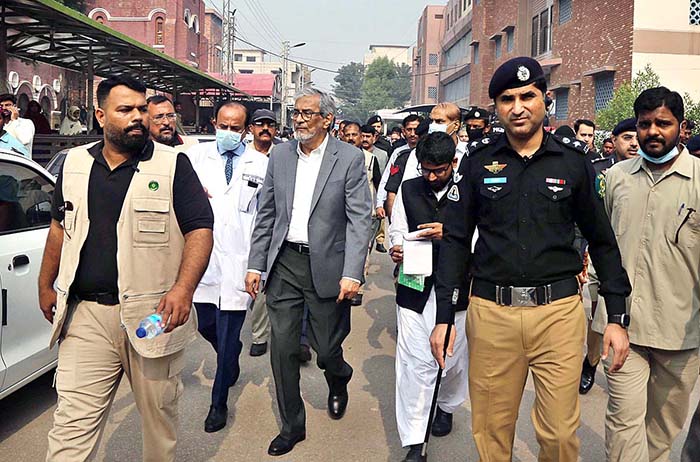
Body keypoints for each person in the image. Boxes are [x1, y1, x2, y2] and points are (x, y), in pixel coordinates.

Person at [431, 57, 632, 462]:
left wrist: (616, 316)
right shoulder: (478, 160)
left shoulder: (573, 161)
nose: (518, 107)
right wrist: (444, 316)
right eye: (507, 99)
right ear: (496, 107)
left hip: (558, 314)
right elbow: (454, 240)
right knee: (491, 432)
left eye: (527, 96)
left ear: (545, 99)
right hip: (492, 313)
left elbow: (602, 241)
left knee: (559, 435)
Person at [38, 74, 214, 462]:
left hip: (152, 317)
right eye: (125, 109)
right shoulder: (75, 164)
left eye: (141, 108)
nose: (137, 117)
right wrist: (45, 283)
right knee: (70, 427)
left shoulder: (173, 165)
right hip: (86, 316)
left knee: (158, 423)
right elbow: (59, 228)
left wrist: (183, 289)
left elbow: (200, 229)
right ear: (101, 116)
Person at [245, 87, 372, 457]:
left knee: (327, 348)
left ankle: (339, 376)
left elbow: (360, 219)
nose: (298, 119)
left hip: (328, 265)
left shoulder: (348, 158)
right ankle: (292, 426)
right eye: (296, 113)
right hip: (285, 262)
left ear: (327, 119)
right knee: (283, 347)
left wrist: (353, 272)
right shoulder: (281, 155)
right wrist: (256, 264)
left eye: (307, 113)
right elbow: (267, 213)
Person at [591, 87, 700, 462]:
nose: (653, 131)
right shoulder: (615, 178)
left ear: (681, 128)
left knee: (662, 429)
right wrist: (597, 305)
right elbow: (601, 244)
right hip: (622, 326)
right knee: (623, 423)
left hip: (681, 332)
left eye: (663, 123)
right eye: (645, 124)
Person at [184, 102, 268, 433]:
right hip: (203, 259)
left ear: (246, 131)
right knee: (207, 324)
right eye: (223, 126)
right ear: (213, 123)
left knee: (229, 329)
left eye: (235, 128)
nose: (228, 133)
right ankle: (230, 351)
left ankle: (218, 403)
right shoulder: (195, 158)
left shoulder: (261, 164)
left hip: (240, 261)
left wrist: (258, 266)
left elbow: (265, 218)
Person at [390, 132, 468, 462]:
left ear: (453, 163)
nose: (432, 177)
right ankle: (415, 441)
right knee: (413, 362)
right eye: (427, 170)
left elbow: (483, 236)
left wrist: (448, 233)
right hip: (414, 285)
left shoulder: (470, 192)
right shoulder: (409, 188)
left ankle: (446, 406)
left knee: (452, 359)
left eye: (439, 171)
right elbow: (397, 227)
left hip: (457, 288)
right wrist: (396, 246)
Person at [580, 117, 639, 395]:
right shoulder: (597, 170)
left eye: (636, 137)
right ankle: (591, 361)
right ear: (613, 141)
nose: (634, 143)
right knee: (598, 317)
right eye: (627, 138)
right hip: (599, 256)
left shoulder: (648, 173)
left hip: (633, 254)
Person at [246, 109, 278, 358]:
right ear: (251, 128)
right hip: (241, 227)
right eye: (260, 124)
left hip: (271, 229)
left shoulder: (284, 156)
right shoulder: (241, 156)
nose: (265, 128)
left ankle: (259, 335)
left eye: (270, 124)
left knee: (262, 284)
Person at [376, 115, 421, 229]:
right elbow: (387, 178)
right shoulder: (398, 153)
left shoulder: (427, 151)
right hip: (399, 203)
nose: (412, 133)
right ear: (403, 131)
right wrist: (380, 204)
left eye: (416, 129)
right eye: (409, 130)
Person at [361, 123, 388, 253]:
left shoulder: (379, 156)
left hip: (372, 203)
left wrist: (380, 204)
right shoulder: (353, 154)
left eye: (368, 136)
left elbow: (380, 182)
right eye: (363, 136)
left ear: (374, 138)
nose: (365, 139)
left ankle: (379, 241)